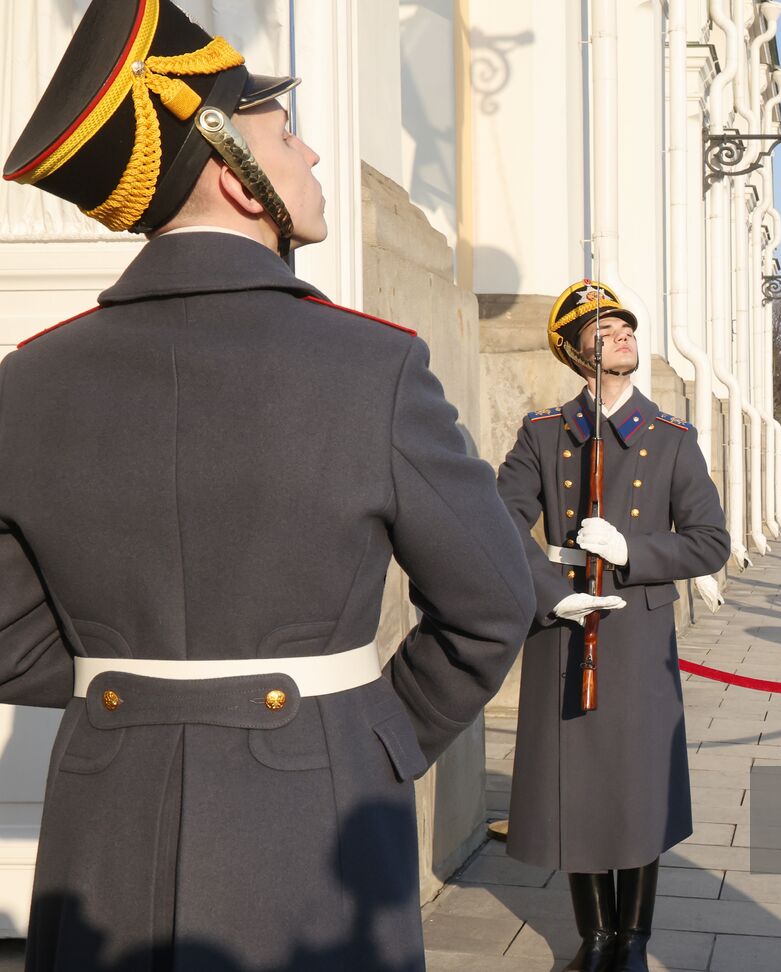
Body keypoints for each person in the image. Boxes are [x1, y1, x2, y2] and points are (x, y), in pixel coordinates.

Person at [0, 2, 534, 968]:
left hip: (104, 829)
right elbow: (496, 599)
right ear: (233, 177)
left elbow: (4, 637)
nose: (314, 155)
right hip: (317, 835)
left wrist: (133, 695)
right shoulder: (374, 368)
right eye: (284, 134)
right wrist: (369, 739)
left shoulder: (27, 381)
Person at [496, 280, 729, 972]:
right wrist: (549, 593)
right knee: (575, 790)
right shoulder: (544, 433)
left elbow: (710, 541)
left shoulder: (672, 440)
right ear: (575, 352)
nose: (622, 333)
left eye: (625, 324)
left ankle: (632, 939)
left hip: (635, 633)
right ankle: (593, 936)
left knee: (636, 791)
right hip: (564, 621)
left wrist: (633, 552)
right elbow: (497, 523)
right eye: (603, 328)